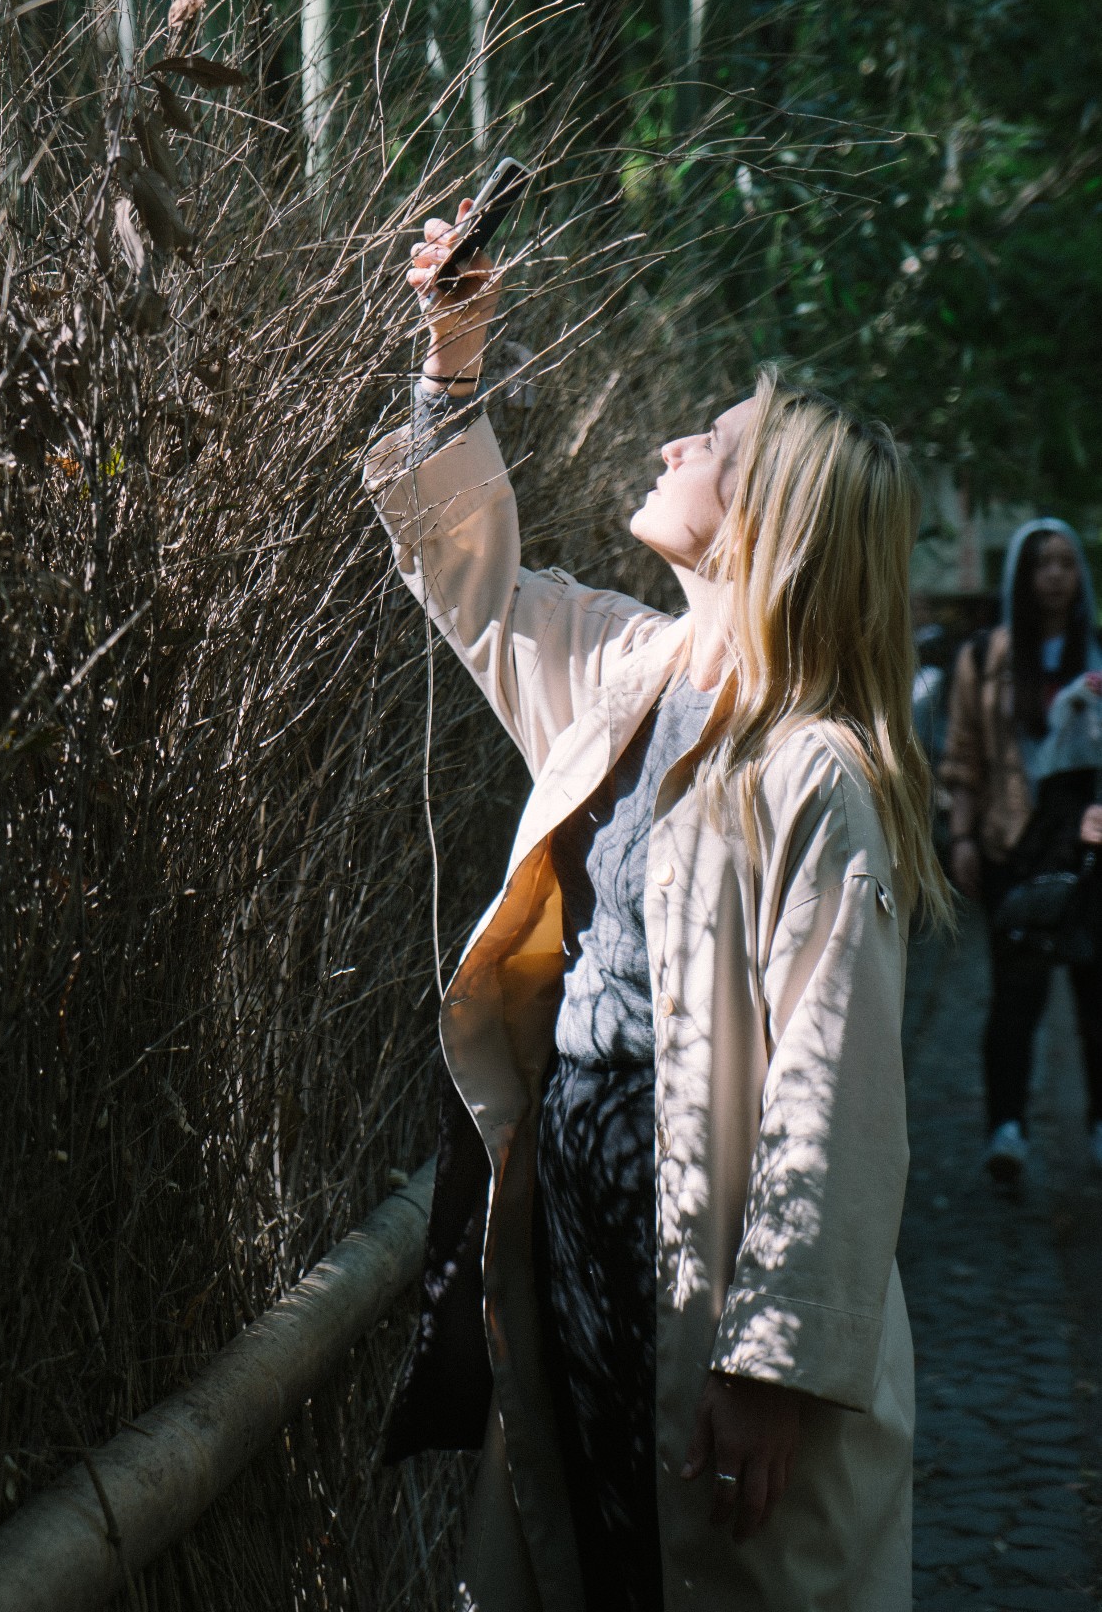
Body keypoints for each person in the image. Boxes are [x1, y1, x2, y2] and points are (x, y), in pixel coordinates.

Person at [365, 210, 949, 1612]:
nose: (680, 445)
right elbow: (478, 585)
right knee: (608, 1554)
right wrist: (452, 359)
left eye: (716, 445)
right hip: (586, 1211)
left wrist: (772, 1361)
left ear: (767, 523)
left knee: (711, 1567)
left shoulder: (813, 773)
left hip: (708, 1245)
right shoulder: (634, 673)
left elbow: (830, 1089)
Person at [940, 519, 1102, 1183]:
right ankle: (1005, 1128)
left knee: (1095, 995)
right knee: (1014, 996)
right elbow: (962, 758)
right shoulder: (986, 657)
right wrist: (961, 836)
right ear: (1022, 576)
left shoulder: (1095, 654)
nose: (1055, 576)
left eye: (1066, 563)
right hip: (1013, 846)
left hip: (1089, 853)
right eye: (1042, 564)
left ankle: (1098, 1124)